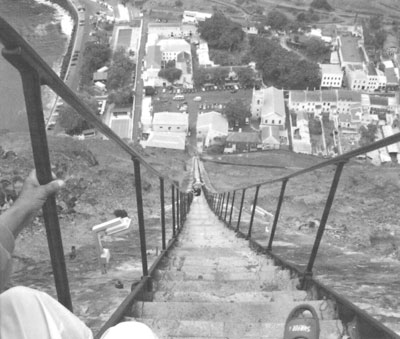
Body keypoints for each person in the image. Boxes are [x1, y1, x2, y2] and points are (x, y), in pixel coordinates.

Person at [0, 170, 158, 339]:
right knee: (134, 333)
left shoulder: (20, 305)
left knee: (20, 301)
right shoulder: (21, 306)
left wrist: (20, 209)